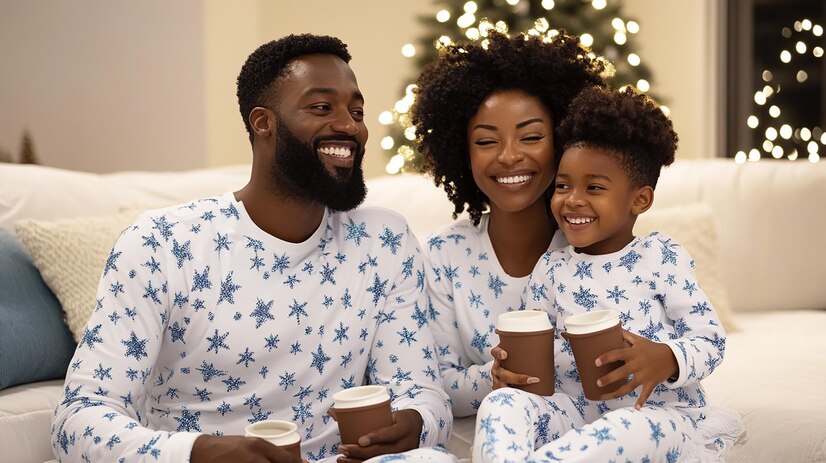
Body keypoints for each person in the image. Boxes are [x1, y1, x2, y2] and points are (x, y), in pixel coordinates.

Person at [50, 34, 453, 463]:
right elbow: (77, 420)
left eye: (357, 111)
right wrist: (200, 453)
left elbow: (423, 392)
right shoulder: (160, 244)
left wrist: (417, 422)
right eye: (322, 108)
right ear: (263, 123)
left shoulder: (385, 242)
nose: (351, 126)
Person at [473, 86, 743, 461]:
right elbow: (538, 351)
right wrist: (510, 370)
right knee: (502, 404)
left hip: (659, 417)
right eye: (563, 185)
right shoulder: (551, 268)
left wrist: (667, 357)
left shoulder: (660, 256)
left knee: (625, 428)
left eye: (594, 187)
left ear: (640, 200)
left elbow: (710, 340)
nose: (573, 199)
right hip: (577, 415)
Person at [409, 30, 608, 418]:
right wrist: (494, 377)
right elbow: (436, 385)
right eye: (486, 142)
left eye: (531, 136)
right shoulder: (442, 255)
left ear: (564, 141)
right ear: (462, 154)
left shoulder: (594, 243)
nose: (509, 156)